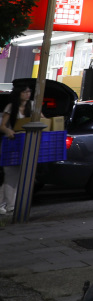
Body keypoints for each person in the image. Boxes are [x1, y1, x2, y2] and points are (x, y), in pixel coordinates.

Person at [0, 84, 35, 216]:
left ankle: (6, 205)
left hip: (25, 144)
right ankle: (10, 206)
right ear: (19, 93)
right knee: (11, 175)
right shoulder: (11, 107)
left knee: (17, 176)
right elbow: (3, 126)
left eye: (29, 91)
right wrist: (9, 130)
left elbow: (43, 119)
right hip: (12, 143)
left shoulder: (32, 106)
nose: (28, 93)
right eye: (25, 91)